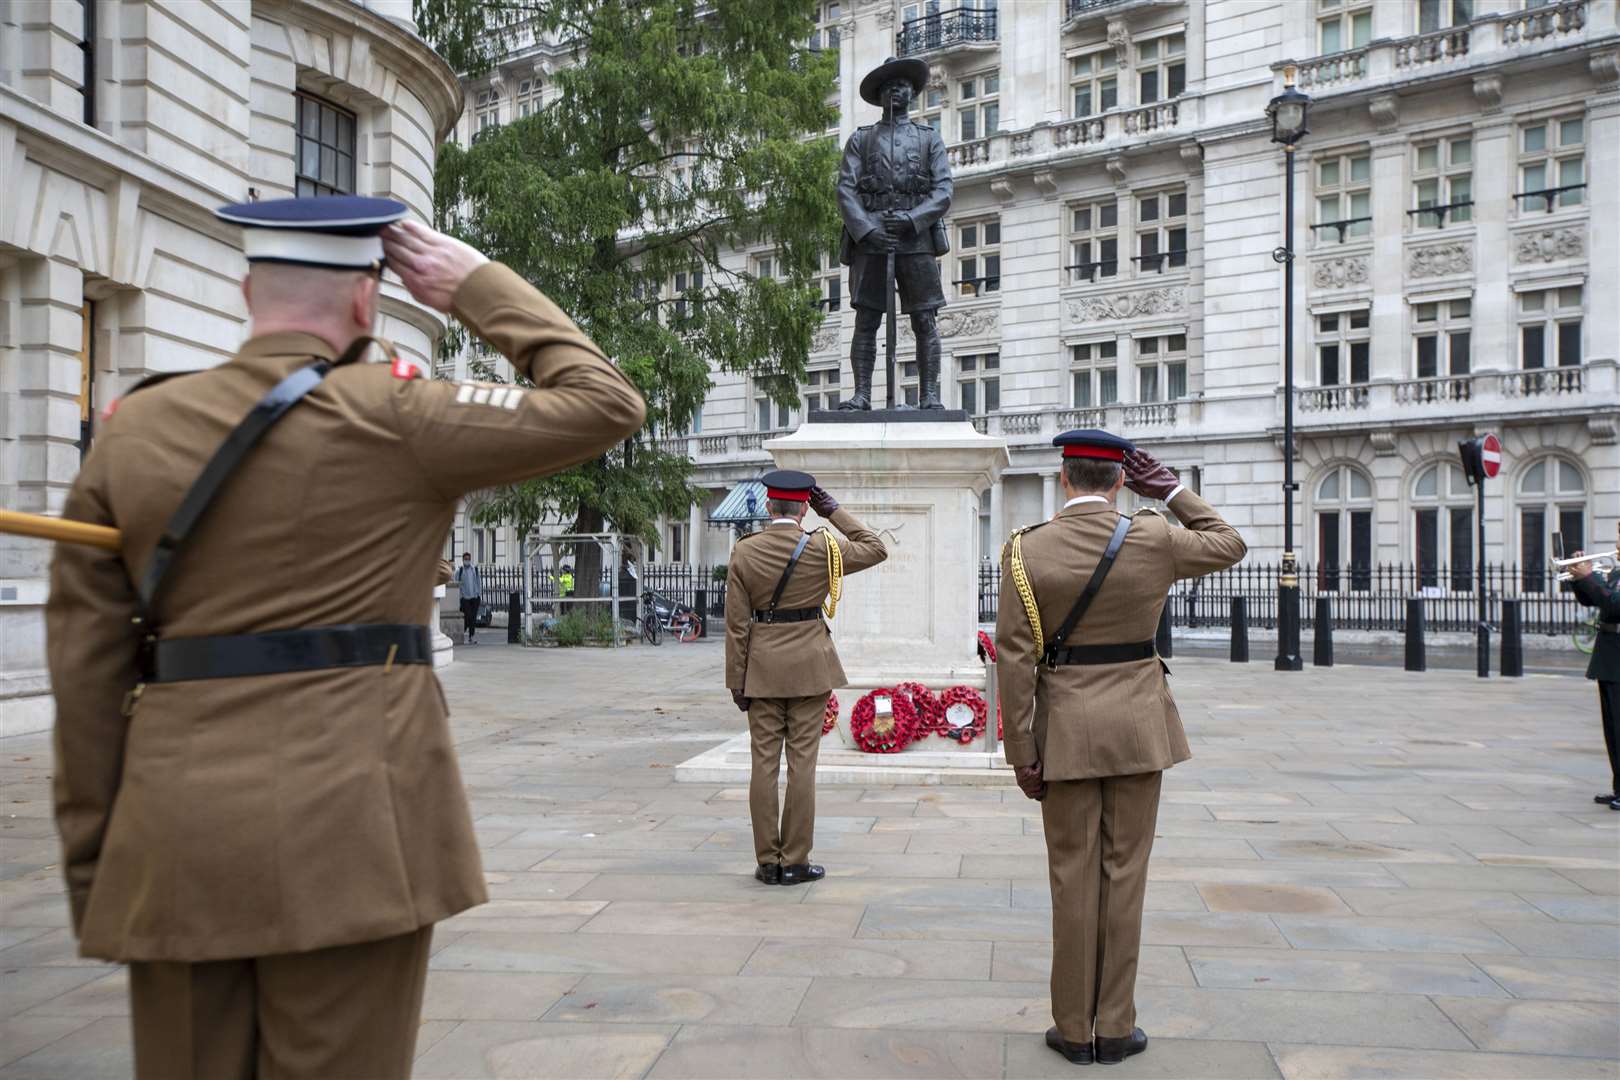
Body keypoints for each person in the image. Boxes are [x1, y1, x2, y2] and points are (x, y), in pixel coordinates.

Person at [45, 196, 645, 1078]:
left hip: (172, 835)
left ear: (249, 290)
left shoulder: (136, 428)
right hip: (355, 829)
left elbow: (86, 678)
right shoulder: (398, 413)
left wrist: (102, 871)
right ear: (367, 300)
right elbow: (605, 402)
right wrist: (475, 285)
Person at [995, 430, 1246, 1067]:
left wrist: (1022, 752)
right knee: (1124, 875)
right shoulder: (1153, 535)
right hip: (1138, 727)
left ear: (1063, 479)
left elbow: (1015, 660)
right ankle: (1116, 1026)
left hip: (1067, 731)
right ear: (1120, 482)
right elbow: (1230, 544)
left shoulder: (1027, 551)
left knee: (1070, 878)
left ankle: (1073, 1030)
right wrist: (1174, 491)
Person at [724, 469, 887, 884]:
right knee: (802, 767)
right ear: (803, 507)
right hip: (810, 669)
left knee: (763, 766)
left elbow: (737, 625)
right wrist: (831, 511)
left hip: (761, 671)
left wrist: (736, 682)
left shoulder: (745, 551)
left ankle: (767, 862)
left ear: (767, 505)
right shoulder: (824, 548)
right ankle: (795, 861)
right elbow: (875, 547)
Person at [835, 55, 952, 410]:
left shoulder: (929, 139)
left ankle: (928, 394)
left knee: (924, 317)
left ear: (912, 93)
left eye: (901, 86)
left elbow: (943, 190)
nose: (895, 91)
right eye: (889, 87)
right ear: (880, 95)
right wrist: (867, 231)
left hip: (915, 238)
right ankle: (862, 394)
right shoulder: (861, 139)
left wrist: (913, 219)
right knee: (867, 318)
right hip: (871, 238)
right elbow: (845, 189)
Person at [1567, 527, 1620, 811]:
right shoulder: (1616, 573)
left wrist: (1591, 577)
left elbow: (1614, 604)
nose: (1617, 541)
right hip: (1610, 656)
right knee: (1612, 729)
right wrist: (1579, 578)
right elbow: (1594, 600)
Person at [455, 551, 483, 644]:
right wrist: (460, 597)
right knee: (468, 616)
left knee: (473, 618)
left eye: (468, 559)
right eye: (465, 559)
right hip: (464, 598)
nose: (467, 561)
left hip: (474, 597)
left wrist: (479, 594)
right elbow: (456, 584)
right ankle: (462, 632)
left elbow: (478, 582)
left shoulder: (474, 569)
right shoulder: (460, 571)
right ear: (463, 560)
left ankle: (471, 636)